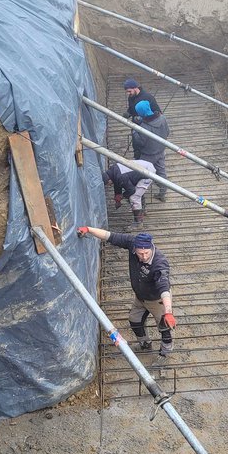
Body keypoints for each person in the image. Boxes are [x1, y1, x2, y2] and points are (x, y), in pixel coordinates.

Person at [76, 228, 176, 356]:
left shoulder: (159, 263)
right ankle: (145, 344)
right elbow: (110, 236)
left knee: (164, 328)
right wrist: (88, 229)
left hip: (157, 300)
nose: (144, 257)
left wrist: (168, 312)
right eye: (140, 253)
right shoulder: (132, 242)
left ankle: (165, 353)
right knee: (134, 321)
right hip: (140, 297)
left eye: (146, 253)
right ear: (135, 249)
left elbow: (164, 287)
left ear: (151, 248)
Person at [132, 100, 170, 202]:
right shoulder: (162, 118)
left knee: (139, 175)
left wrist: (135, 129)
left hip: (147, 155)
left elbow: (140, 142)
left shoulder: (144, 127)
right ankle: (162, 194)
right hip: (161, 151)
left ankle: (139, 199)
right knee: (161, 173)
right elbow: (168, 132)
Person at [102, 160, 155, 225]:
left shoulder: (120, 176)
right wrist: (117, 197)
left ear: (109, 179)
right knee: (137, 192)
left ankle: (138, 222)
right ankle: (142, 211)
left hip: (147, 173)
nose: (109, 185)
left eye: (108, 184)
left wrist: (122, 196)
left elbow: (131, 190)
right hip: (144, 166)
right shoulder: (113, 171)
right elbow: (117, 183)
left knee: (134, 197)